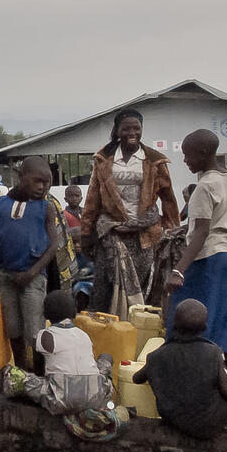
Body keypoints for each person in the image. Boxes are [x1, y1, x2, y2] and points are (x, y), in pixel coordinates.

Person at [80, 108, 180, 317]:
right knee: (106, 287)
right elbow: (92, 199)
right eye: (126, 129)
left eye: (137, 128)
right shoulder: (104, 159)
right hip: (111, 233)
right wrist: (86, 234)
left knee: (141, 288)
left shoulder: (154, 160)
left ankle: (135, 327)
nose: (132, 133)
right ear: (117, 130)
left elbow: (168, 198)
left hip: (144, 235)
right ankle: (108, 328)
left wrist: (173, 231)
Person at [165, 131, 227, 355]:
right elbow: (219, 218)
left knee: (192, 316)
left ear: (202, 154)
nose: (185, 160)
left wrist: (178, 271)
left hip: (212, 258)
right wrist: (186, 228)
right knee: (224, 318)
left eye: (187, 155)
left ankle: (191, 363)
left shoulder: (205, 186)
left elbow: (202, 233)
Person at [0, 157, 64, 371]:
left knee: (34, 331)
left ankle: (39, 374)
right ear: (21, 177)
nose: (42, 187)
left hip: (33, 278)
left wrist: (32, 272)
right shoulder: (0, 204)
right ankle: (19, 372)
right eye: (37, 181)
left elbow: (53, 245)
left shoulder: (45, 207)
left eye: (47, 182)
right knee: (13, 329)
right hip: (6, 276)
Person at [131, 299, 227, 440]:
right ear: (204, 327)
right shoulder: (213, 352)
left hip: (173, 422)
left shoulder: (157, 356)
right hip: (210, 425)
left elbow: (136, 379)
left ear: (174, 324)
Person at [1, 290, 112, 420]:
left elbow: (38, 362)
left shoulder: (45, 336)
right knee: (105, 358)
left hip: (61, 400)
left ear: (45, 314)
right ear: (74, 312)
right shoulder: (84, 335)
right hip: (95, 397)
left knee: (14, 376)